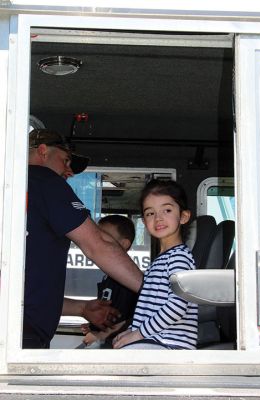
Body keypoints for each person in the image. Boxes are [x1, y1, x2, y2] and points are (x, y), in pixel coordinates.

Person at [24, 128, 143, 349]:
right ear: (42, 151)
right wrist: (153, 292)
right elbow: (97, 244)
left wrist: (82, 308)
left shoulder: (18, 187)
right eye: (66, 161)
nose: (69, 172)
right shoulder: (44, 180)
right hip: (23, 332)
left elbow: (23, 293)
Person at [112, 179, 198, 350]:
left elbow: (177, 307)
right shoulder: (161, 259)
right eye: (150, 213)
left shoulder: (179, 257)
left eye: (167, 210)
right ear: (144, 221)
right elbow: (149, 309)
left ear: (183, 216)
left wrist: (137, 334)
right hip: (156, 340)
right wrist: (132, 329)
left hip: (170, 344)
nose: (158, 218)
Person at [81, 215, 139, 348]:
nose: (97, 242)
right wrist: (94, 325)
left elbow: (130, 319)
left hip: (119, 344)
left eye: (105, 238)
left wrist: (101, 334)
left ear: (124, 244)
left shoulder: (128, 280)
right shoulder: (109, 277)